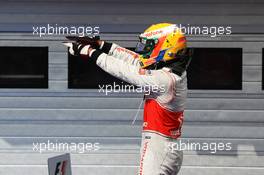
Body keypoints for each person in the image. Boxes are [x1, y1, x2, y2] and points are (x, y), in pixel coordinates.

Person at [64, 23, 192, 175]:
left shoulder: (166, 79)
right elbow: (135, 60)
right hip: (163, 146)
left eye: (150, 46)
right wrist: (101, 45)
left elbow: (126, 71)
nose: (145, 50)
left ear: (167, 46)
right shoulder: (169, 71)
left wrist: (91, 52)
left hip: (159, 148)